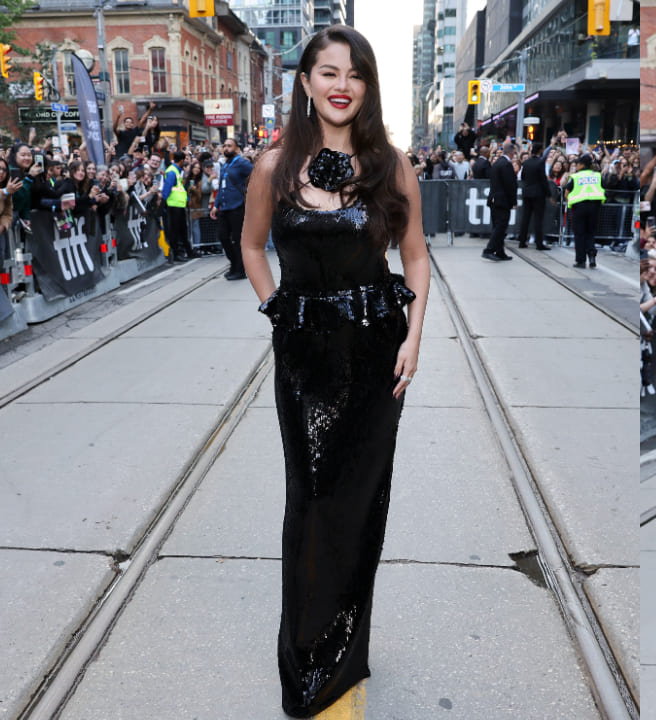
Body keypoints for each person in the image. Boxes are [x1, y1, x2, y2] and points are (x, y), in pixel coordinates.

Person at [240, 26, 430, 717]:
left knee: (359, 507)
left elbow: (414, 258)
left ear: (368, 87)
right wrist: (278, 312)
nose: (341, 85)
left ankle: (346, 658)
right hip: (305, 359)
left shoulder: (391, 166)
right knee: (312, 504)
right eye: (327, 72)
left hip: (376, 354)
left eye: (354, 74)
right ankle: (307, 661)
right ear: (304, 83)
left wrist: (413, 339)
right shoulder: (272, 168)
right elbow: (252, 247)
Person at [211, 138, 253, 280]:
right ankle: (234, 264)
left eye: (229, 146)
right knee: (223, 237)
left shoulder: (242, 163)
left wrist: (249, 191)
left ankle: (240, 270)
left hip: (237, 207)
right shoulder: (224, 165)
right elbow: (222, 187)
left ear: (236, 149)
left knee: (237, 240)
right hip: (224, 207)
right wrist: (216, 205)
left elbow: (256, 175)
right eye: (225, 145)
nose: (226, 148)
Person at [563, 155, 605, 268]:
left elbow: (566, 192)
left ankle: (581, 261)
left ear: (582, 165)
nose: (576, 166)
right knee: (590, 233)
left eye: (577, 164)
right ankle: (592, 257)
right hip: (594, 207)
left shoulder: (575, 176)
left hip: (579, 208)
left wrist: (570, 202)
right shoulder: (597, 175)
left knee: (579, 234)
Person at [483, 140, 517, 261]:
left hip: (494, 199)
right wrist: (514, 201)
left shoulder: (497, 163)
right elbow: (510, 184)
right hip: (502, 200)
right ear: (512, 152)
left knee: (498, 226)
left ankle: (499, 251)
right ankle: (489, 249)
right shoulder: (506, 165)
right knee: (501, 226)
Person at [516, 143, 552, 250]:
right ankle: (539, 243)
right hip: (538, 194)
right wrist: (549, 194)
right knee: (538, 219)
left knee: (525, 218)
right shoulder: (541, 162)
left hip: (527, 193)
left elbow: (522, 176)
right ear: (540, 150)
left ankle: (522, 241)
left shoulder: (526, 162)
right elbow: (543, 180)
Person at [160, 150, 193, 263]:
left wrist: (186, 199)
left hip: (178, 205)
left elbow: (179, 189)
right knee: (175, 231)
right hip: (173, 206)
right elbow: (167, 189)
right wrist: (162, 205)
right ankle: (177, 253)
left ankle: (187, 251)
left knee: (182, 230)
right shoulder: (172, 171)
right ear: (183, 161)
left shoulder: (176, 171)